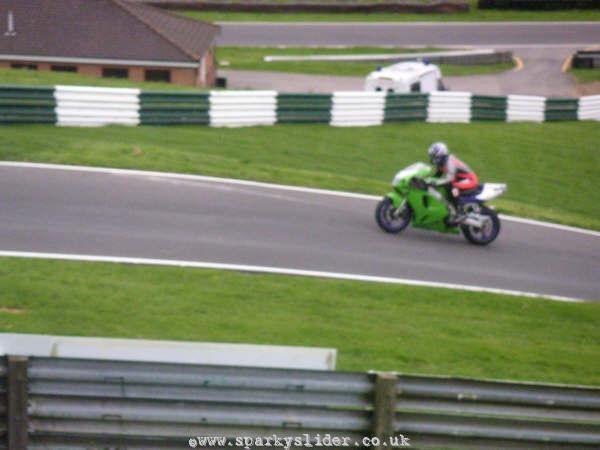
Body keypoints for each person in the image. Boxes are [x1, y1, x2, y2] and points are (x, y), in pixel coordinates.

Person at [426, 142, 479, 225]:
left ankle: (460, 213)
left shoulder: (450, 162)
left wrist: (435, 183)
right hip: (460, 180)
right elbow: (437, 176)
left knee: (452, 187)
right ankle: (451, 210)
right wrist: (427, 181)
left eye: (433, 155)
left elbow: (449, 179)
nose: (432, 158)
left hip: (469, 180)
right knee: (446, 187)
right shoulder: (442, 162)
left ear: (440, 154)